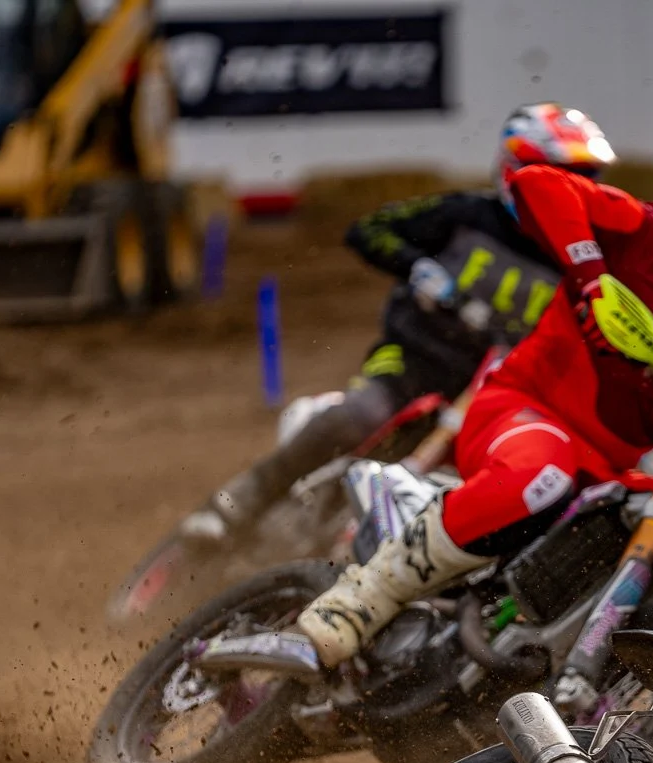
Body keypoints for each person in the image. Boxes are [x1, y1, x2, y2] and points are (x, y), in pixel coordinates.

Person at [296, 118, 653, 670]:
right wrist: (592, 278)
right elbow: (536, 183)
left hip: (605, 473)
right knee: (543, 473)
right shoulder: (644, 230)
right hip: (522, 410)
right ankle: (364, 596)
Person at [179, 103, 618, 546]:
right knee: (358, 415)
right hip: (414, 359)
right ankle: (238, 500)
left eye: (586, 176)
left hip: (503, 393)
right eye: (563, 174)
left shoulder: (583, 258)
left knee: (522, 477)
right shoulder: (466, 215)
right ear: (514, 171)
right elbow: (370, 229)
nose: (574, 188)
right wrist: (420, 268)